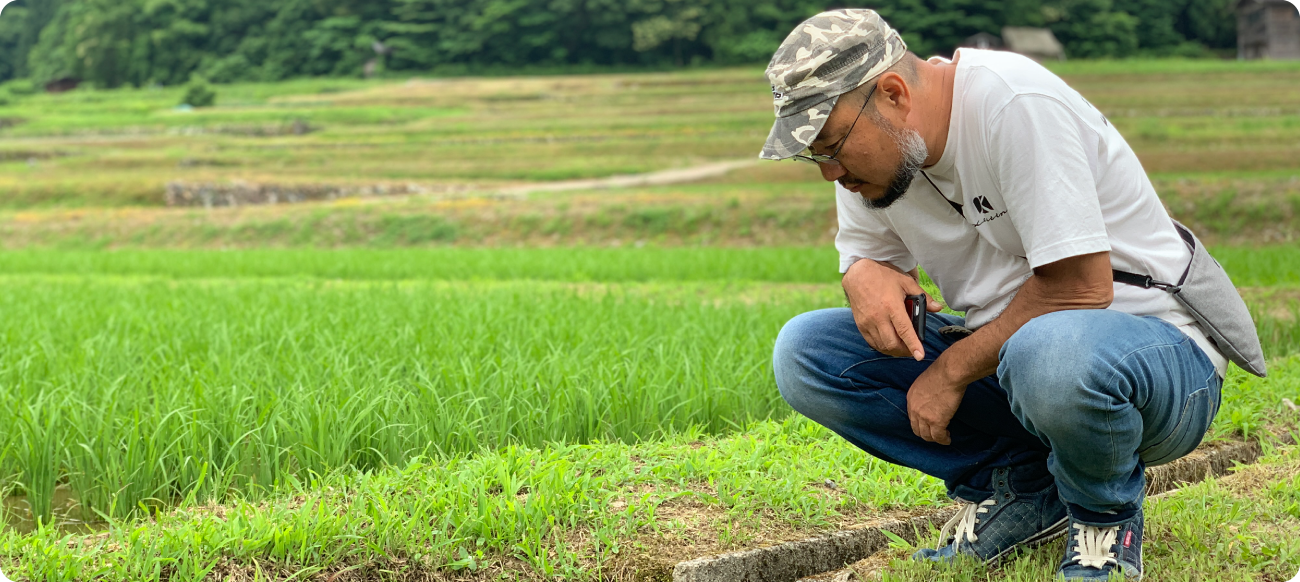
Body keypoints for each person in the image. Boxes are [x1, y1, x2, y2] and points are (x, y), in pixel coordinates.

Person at [762, 9, 1231, 581]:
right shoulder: (880, 161)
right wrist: (861, 271)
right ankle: (1029, 488)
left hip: (1155, 360)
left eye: (832, 145)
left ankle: (1101, 514)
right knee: (809, 354)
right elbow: (867, 255)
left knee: (1049, 353)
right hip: (1020, 362)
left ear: (892, 94)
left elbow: (1080, 288)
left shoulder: (1013, 104)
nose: (829, 173)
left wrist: (952, 368)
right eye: (814, 154)